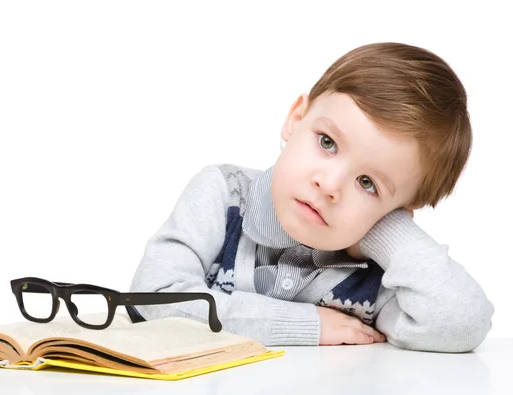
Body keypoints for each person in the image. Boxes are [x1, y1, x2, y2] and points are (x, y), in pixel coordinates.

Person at [129, 42, 494, 352]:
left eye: (367, 183)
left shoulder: (374, 279)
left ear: (394, 214)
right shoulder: (224, 193)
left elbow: (462, 322)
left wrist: (387, 233)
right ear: (296, 118)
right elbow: (153, 298)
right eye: (327, 142)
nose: (330, 184)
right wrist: (306, 325)